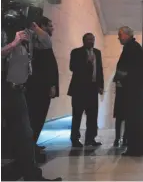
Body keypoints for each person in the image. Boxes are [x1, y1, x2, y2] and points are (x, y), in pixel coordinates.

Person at [1, 23, 62, 181]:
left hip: (18, 91)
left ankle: (32, 175)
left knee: (26, 135)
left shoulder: (28, 36)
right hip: (4, 89)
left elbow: (47, 43)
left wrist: (34, 27)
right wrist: (13, 43)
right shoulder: (5, 34)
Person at [115, 26, 143, 156]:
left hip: (133, 92)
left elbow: (128, 69)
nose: (119, 38)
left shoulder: (131, 48)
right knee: (136, 120)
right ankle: (138, 146)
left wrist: (121, 78)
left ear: (126, 35)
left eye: (120, 35)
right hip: (137, 92)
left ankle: (135, 148)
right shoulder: (134, 47)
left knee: (134, 121)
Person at [25, 16, 59, 154]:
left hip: (41, 86)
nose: (52, 28)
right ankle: (30, 146)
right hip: (40, 86)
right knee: (36, 116)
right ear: (42, 27)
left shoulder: (41, 44)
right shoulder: (41, 42)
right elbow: (44, 38)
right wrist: (35, 26)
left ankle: (33, 144)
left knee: (38, 117)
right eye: (50, 25)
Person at [67, 33, 104, 147]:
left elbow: (99, 70)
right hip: (80, 88)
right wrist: (87, 62)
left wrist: (101, 85)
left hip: (93, 88)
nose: (91, 42)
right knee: (77, 114)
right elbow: (72, 67)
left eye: (93, 39)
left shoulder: (97, 52)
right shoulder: (76, 52)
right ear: (84, 41)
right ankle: (75, 139)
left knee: (93, 115)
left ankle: (90, 138)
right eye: (89, 40)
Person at [112, 73, 127, 147]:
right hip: (123, 96)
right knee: (121, 119)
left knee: (120, 119)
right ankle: (121, 139)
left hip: (121, 96)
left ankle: (120, 139)